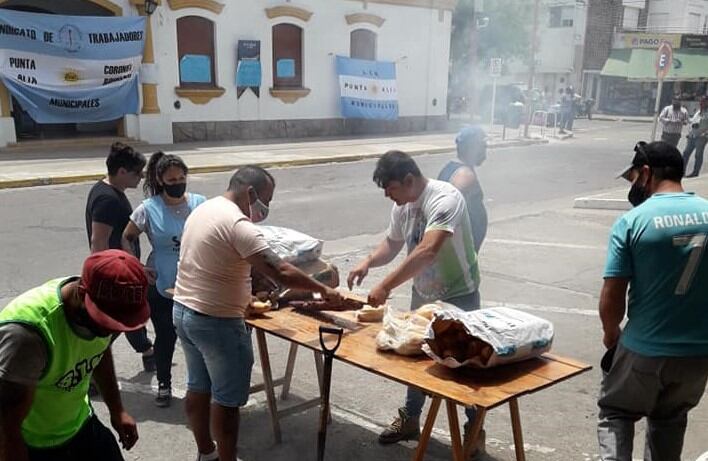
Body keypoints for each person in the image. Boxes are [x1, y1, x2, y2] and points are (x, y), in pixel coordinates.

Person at [172, 166, 342, 461]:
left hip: (185, 312)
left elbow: (220, 258)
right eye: (267, 199)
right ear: (250, 193)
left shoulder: (204, 209)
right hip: (218, 323)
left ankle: (205, 453)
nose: (267, 207)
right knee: (226, 403)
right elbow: (282, 271)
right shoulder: (238, 223)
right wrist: (323, 290)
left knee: (198, 387)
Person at [347, 151, 484, 458]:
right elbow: (393, 243)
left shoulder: (445, 199)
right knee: (414, 360)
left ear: (409, 180)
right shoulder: (404, 204)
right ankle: (410, 419)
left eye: (390, 188)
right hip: (423, 295)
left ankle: (474, 430)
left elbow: (427, 251)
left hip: (459, 294)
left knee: (464, 367)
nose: (387, 195)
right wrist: (369, 261)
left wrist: (385, 285)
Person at [597, 141, 708, 461]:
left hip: (645, 347)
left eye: (634, 178)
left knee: (616, 412)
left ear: (647, 173)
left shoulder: (633, 222)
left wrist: (611, 335)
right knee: (670, 420)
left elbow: (613, 294)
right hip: (697, 355)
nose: (634, 187)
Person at [0, 250, 150, 461]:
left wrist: (117, 410)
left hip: (80, 425)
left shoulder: (96, 308)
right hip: (33, 444)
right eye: (107, 323)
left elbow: (99, 350)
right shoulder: (27, 336)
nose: (112, 332)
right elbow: (7, 426)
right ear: (81, 293)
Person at [122, 152, 206, 407]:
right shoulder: (148, 209)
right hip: (162, 284)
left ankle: (201, 387)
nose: (178, 183)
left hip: (197, 284)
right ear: (161, 180)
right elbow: (127, 237)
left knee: (200, 338)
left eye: (182, 178)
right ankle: (164, 383)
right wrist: (136, 265)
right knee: (166, 336)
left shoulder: (200, 203)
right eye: (172, 179)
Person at [85, 142, 154, 373]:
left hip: (122, 267)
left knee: (128, 311)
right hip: (115, 271)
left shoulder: (111, 191)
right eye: (137, 173)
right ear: (122, 172)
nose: (141, 177)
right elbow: (98, 241)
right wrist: (102, 275)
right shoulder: (108, 199)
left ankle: (146, 350)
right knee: (115, 320)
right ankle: (92, 368)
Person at [438, 125, 488, 252]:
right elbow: (447, 208)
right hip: (457, 257)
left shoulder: (451, 167)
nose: (485, 149)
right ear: (473, 147)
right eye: (483, 146)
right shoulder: (464, 175)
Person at [682, 96, 708, 178]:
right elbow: (692, 122)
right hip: (692, 136)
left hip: (701, 137)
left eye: (703, 101)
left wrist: (705, 134)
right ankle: (682, 171)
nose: (701, 103)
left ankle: (695, 172)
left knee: (698, 155)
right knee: (685, 153)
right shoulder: (698, 112)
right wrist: (689, 132)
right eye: (701, 101)